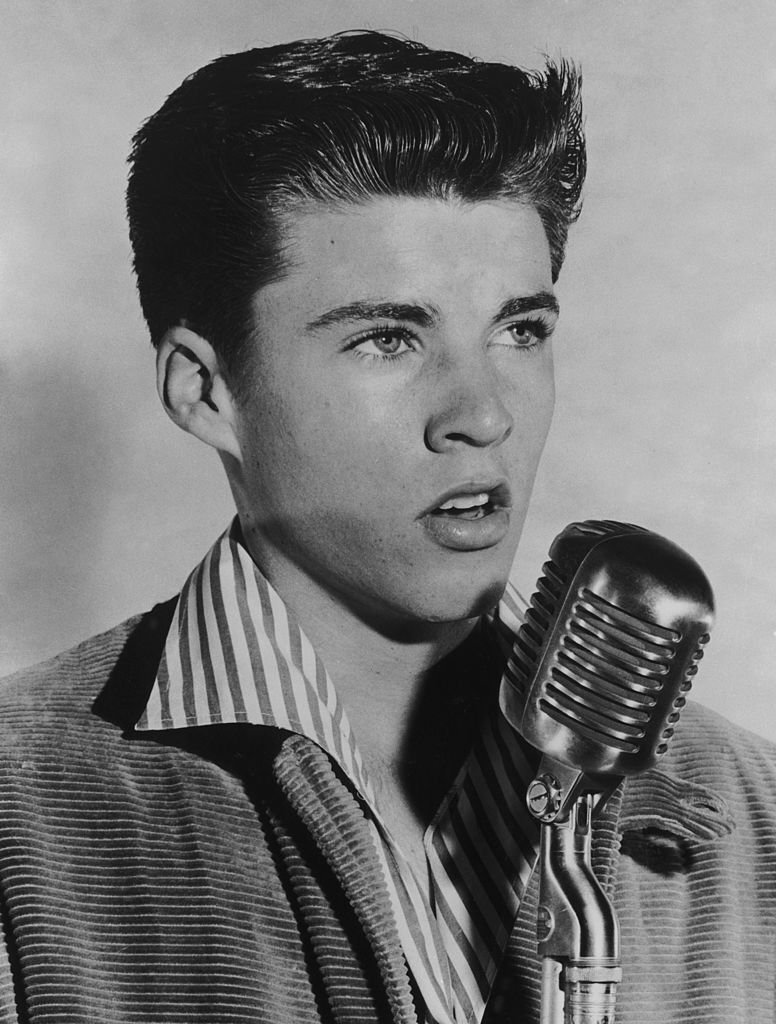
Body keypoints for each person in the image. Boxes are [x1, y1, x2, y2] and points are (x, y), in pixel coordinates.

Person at [0, 29, 774, 1024]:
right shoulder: (22, 816)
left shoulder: (743, 818)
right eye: (388, 338)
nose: (481, 413)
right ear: (204, 389)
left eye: (518, 329)